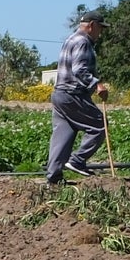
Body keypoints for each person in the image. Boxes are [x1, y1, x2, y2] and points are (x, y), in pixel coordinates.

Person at [44, 11, 109, 186]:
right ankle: (77, 161)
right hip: (73, 94)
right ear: (92, 25)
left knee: (62, 136)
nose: (100, 33)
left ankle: (54, 178)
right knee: (99, 124)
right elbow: (79, 69)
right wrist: (97, 85)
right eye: (100, 29)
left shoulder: (70, 39)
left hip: (60, 94)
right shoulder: (83, 42)